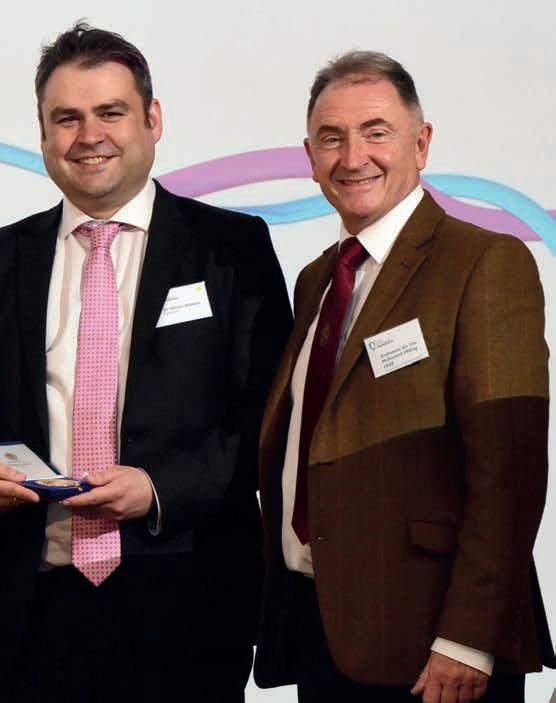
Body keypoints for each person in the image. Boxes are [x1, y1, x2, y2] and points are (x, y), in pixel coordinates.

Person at [0, 22, 292, 703]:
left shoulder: (232, 247)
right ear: (43, 133)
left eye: (110, 113)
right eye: (66, 118)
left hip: (186, 611)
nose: (88, 136)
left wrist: (158, 489)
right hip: (30, 613)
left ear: (152, 121)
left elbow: (266, 421)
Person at [253, 50, 555, 703]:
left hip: (435, 649)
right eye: (331, 138)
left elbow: (509, 472)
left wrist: (468, 638)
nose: (352, 156)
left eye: (376, 132)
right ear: (309, 157)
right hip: (323, 630)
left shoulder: (485, 262)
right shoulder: (316, 279)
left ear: (421, 143)